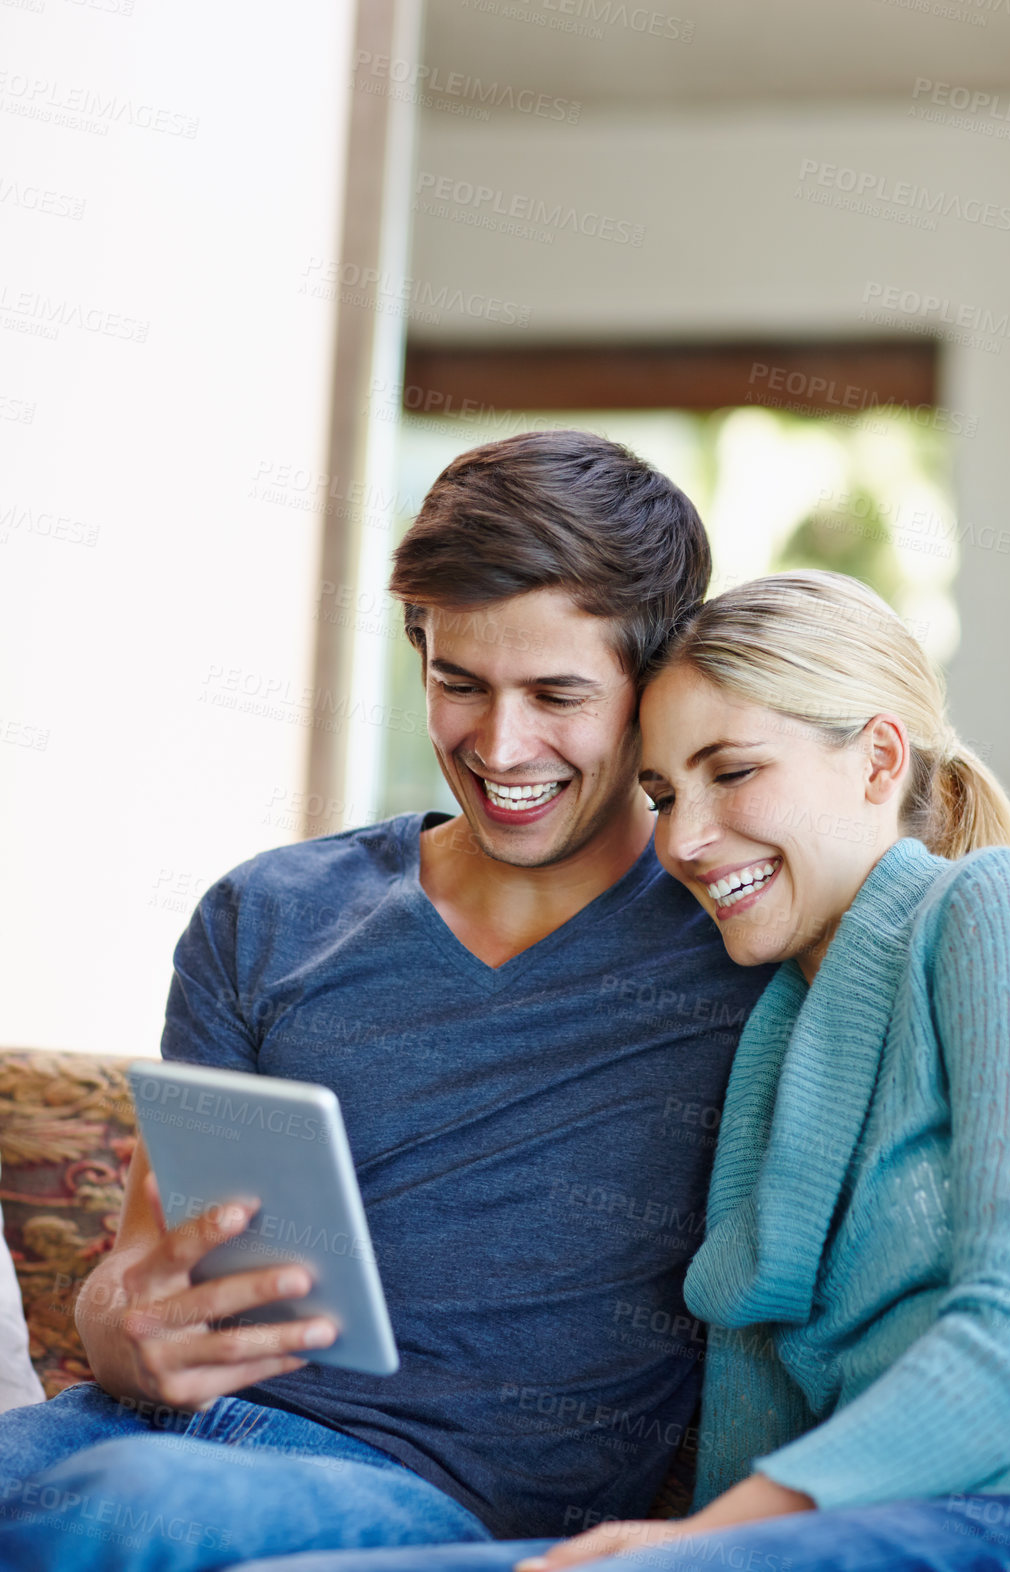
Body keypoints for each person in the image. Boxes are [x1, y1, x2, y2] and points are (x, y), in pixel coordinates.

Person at [0, 432, 769, 1570]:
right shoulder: (265, 915)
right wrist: (119, 1331)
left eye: (557, 694)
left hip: (428, 1501)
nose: (500, 746)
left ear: (654, 688)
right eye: (458, 683)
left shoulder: (742, 934)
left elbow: (969, 968)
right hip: (133, 1435)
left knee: (128, 1503)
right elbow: (140, 1265)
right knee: (116, 1484)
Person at [322, 569, 1010, 1572]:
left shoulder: (992, 907)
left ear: (876, 758)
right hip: (847, 1529)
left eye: (733, 772)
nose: (682, 838)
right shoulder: (772, 1019)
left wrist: (702, 1540)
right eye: (662, 794)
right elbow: (758, 1392)